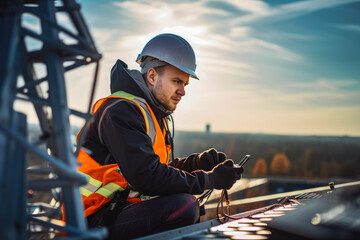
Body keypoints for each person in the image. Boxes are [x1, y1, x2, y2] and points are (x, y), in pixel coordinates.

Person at [77, 33, 243, 239]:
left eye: (184, 84)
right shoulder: (120, 110)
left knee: (185, 203)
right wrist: (210, 180)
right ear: (152, 76)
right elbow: (148, 178)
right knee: (184, 205)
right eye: (176, 81)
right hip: (91, 219)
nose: (182, 91)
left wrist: (198, 164)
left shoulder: (152, 113)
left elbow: (158, 170)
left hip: (116, 210)